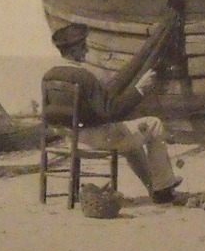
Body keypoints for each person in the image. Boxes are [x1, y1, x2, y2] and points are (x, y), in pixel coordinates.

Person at [43, 23, 182, 204]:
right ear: (74, 49)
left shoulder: (49, 76)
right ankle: (164, 187)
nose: (86, 51)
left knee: (131, 139)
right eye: (83, 46)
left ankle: (155, 188)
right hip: (95, 139)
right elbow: (111, 111)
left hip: (70, 139)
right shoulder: (84, 77)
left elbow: (50, 116)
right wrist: (140, 89)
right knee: (154, 125)